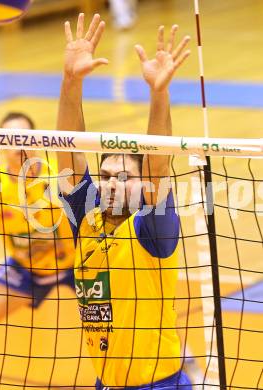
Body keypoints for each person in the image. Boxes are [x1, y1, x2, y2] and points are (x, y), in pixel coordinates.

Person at [57, 13, 193, 389]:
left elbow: (159, 166)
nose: (114, 185)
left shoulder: (152, 231)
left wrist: (159, 95)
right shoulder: (87, 221)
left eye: (126, 178)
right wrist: (70, 82)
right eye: (106, 177)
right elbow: (68, 152)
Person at [0, 112, 75, 389]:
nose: (20, 145)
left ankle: (181, 358)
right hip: (25, 270)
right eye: (11, 140)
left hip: (77, 266)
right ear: (1, 146)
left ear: (37, 141)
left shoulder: (60, 178)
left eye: (26, 137)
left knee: (128, 316)